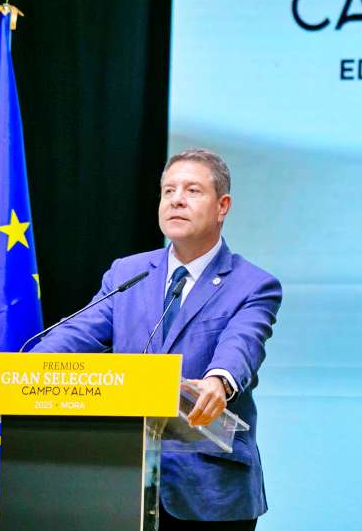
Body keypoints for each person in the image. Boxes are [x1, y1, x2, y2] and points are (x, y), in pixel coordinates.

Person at [31, 148, 282, 529]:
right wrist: (24, 370)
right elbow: (75, 333)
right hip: (123, 484)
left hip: (209, 493)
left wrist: (219, 381)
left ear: (222, 206)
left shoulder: (253, 284)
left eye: (193, 190)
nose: (177, 199)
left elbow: (242, 343)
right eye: (169, 190)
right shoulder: (127, 274)